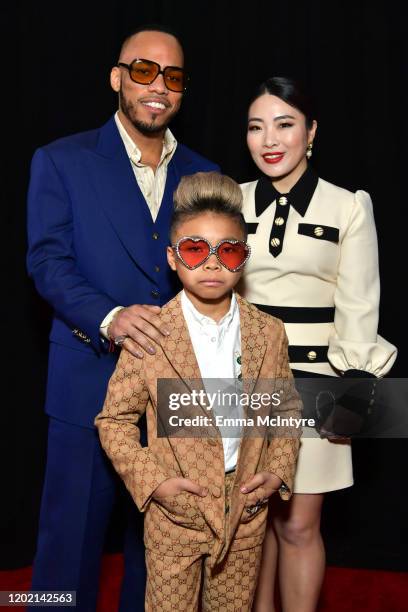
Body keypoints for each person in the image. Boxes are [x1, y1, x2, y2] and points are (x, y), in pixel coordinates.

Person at [26, 24, 218, 611]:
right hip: (88, 381)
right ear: (117, 79)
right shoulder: (62, 161)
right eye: (143, 71)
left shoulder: (208, 178)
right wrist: (108, 317)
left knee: (163, 556)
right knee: (67, 548)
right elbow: (47, 260)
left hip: (178, 398)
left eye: (173, 76)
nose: (158, 86)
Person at [95, 171, 302, 611]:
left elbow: (284, 408)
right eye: (194, 249)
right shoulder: (151, 333)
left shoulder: (269, 332)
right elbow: (113, 421)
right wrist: (157, 484)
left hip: (244, 512)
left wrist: (277, 473)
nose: (211, 264)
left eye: (227, 251)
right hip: (175, 517)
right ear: (173, 258)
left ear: (243, 258)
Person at [238, 77, 397, 612]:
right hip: (240, 380)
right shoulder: (228, 201)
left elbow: (359, 303)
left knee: (300, 526)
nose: (270, 139)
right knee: (249, 524)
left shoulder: (348, 207)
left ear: (311, 132)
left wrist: (354, 388)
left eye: (285, 124)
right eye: (256, 126)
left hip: (316, 382)